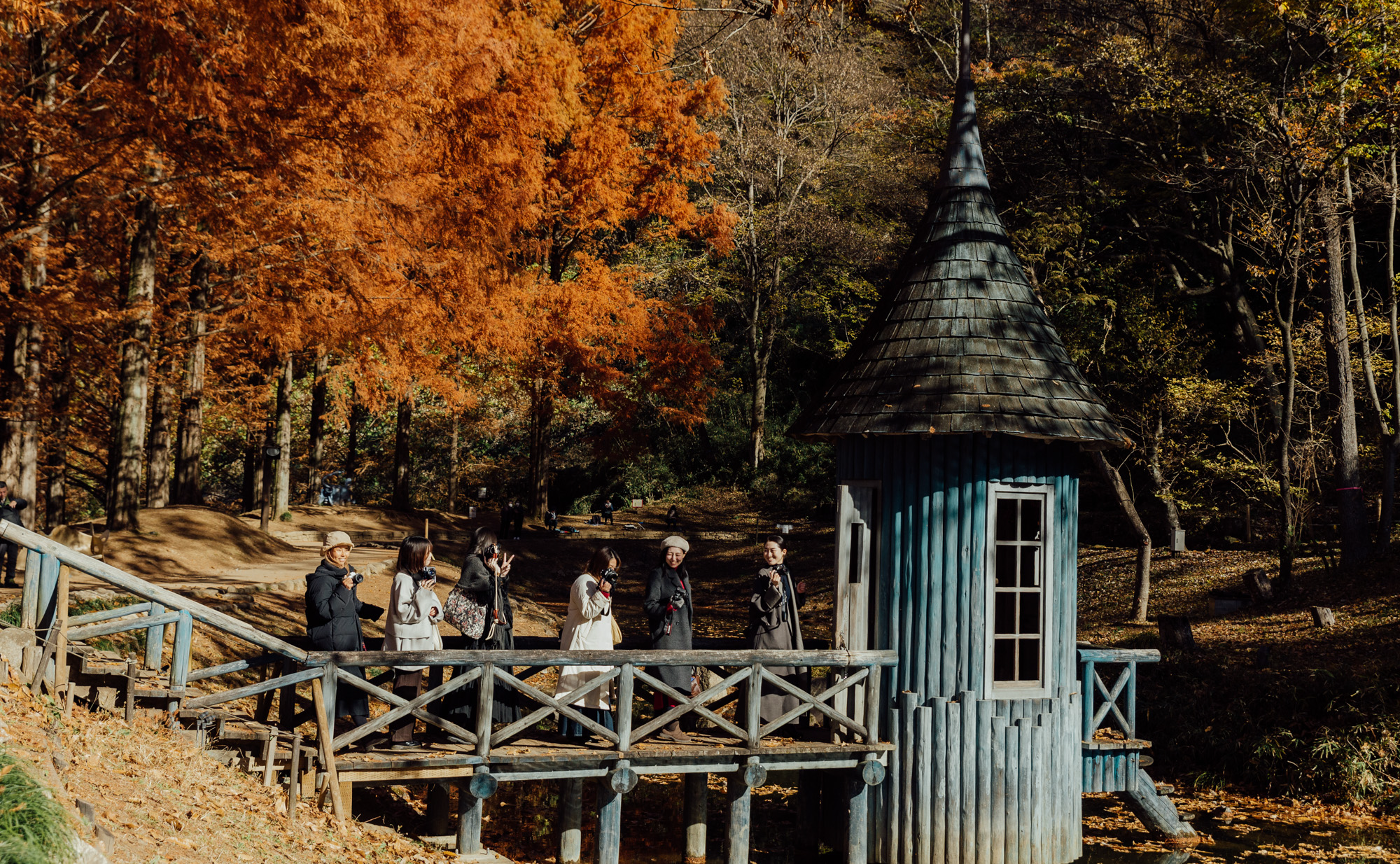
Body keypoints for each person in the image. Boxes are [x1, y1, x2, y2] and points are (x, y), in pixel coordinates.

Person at [442, 527, 522, 730]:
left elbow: (500, 594)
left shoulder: (490, 564)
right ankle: (463, 723)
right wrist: (495, 574)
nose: (496, 549)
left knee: (497, 674)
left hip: (497, 630)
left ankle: (492, 723)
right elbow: (482, 587)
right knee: (472, 673)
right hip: (480, 633)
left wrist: (502, 575)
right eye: (494, 545)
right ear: (485, 543)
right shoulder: (473, 562)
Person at [305, 531, 384, 731]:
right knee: (338, 692)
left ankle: (348, 737)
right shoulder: (320, 580)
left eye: (346, 549)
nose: (343, 554)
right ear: (328, 551)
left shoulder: (346, 573)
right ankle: (361, 736)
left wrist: (377, 612)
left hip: (349, 642)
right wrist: (344, 588)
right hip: (331, 644)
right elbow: (323, 612)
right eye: (338, 549)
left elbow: (352, 605)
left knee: (352, 689)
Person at [555, 547, 621, 740]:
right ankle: (575, 734)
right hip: (582, 647)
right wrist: (602, 592)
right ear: (598, 565)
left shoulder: (600, 584)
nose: (611, 573)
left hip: (598, 650)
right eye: (608, 568)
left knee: (596, 695)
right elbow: (587, 611)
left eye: (614, 569)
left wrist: (605, 591)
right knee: (578, 693)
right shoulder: (583, 581)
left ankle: (596, 734)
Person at [385, 535, 443, 749]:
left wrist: (435, 609)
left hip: (419, 644)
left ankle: (403, 735)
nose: (431, 557)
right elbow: (404, 614)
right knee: (406, 691)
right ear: (416, 554)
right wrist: (425, 595)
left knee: (414, 691)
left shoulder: (420, 577)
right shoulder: (403, 579)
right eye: (428, 553)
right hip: (407, 646)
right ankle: (400, 737)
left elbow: (434, 607)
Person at [746, 535, 809, 726]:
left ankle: (787, 721)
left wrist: (798, 593)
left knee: (786, 675)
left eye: (772, 550)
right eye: (765, 550)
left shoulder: (787, 572)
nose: (768, 554)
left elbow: (790, 606)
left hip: (787, 633)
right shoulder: (763, 573)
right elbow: (756, 606)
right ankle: (761, 722)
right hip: (767, 634)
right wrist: (773, 588)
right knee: (766, 675)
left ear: (783, 552)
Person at [643, 535, 694, 743]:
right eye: (670, 554)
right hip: (667, 636)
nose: (673, 558)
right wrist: (668, 607)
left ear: (683, 556)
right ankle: (671, 726)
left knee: (675, 682)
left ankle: (667, 725)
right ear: (664, 554)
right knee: (669, 682)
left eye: (678, 555)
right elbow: (648, 606)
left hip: (682, 637)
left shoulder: (683, 574)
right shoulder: (657, 574)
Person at [0, 481, 28, 587]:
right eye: (0, 492)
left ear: (6, 491)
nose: (2, 494)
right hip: (1, 536)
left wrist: (16, 501)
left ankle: (10, 579)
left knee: (12, 557)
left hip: (14, 535)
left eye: (4, 492)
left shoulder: (11, 501)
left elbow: (24, 503)